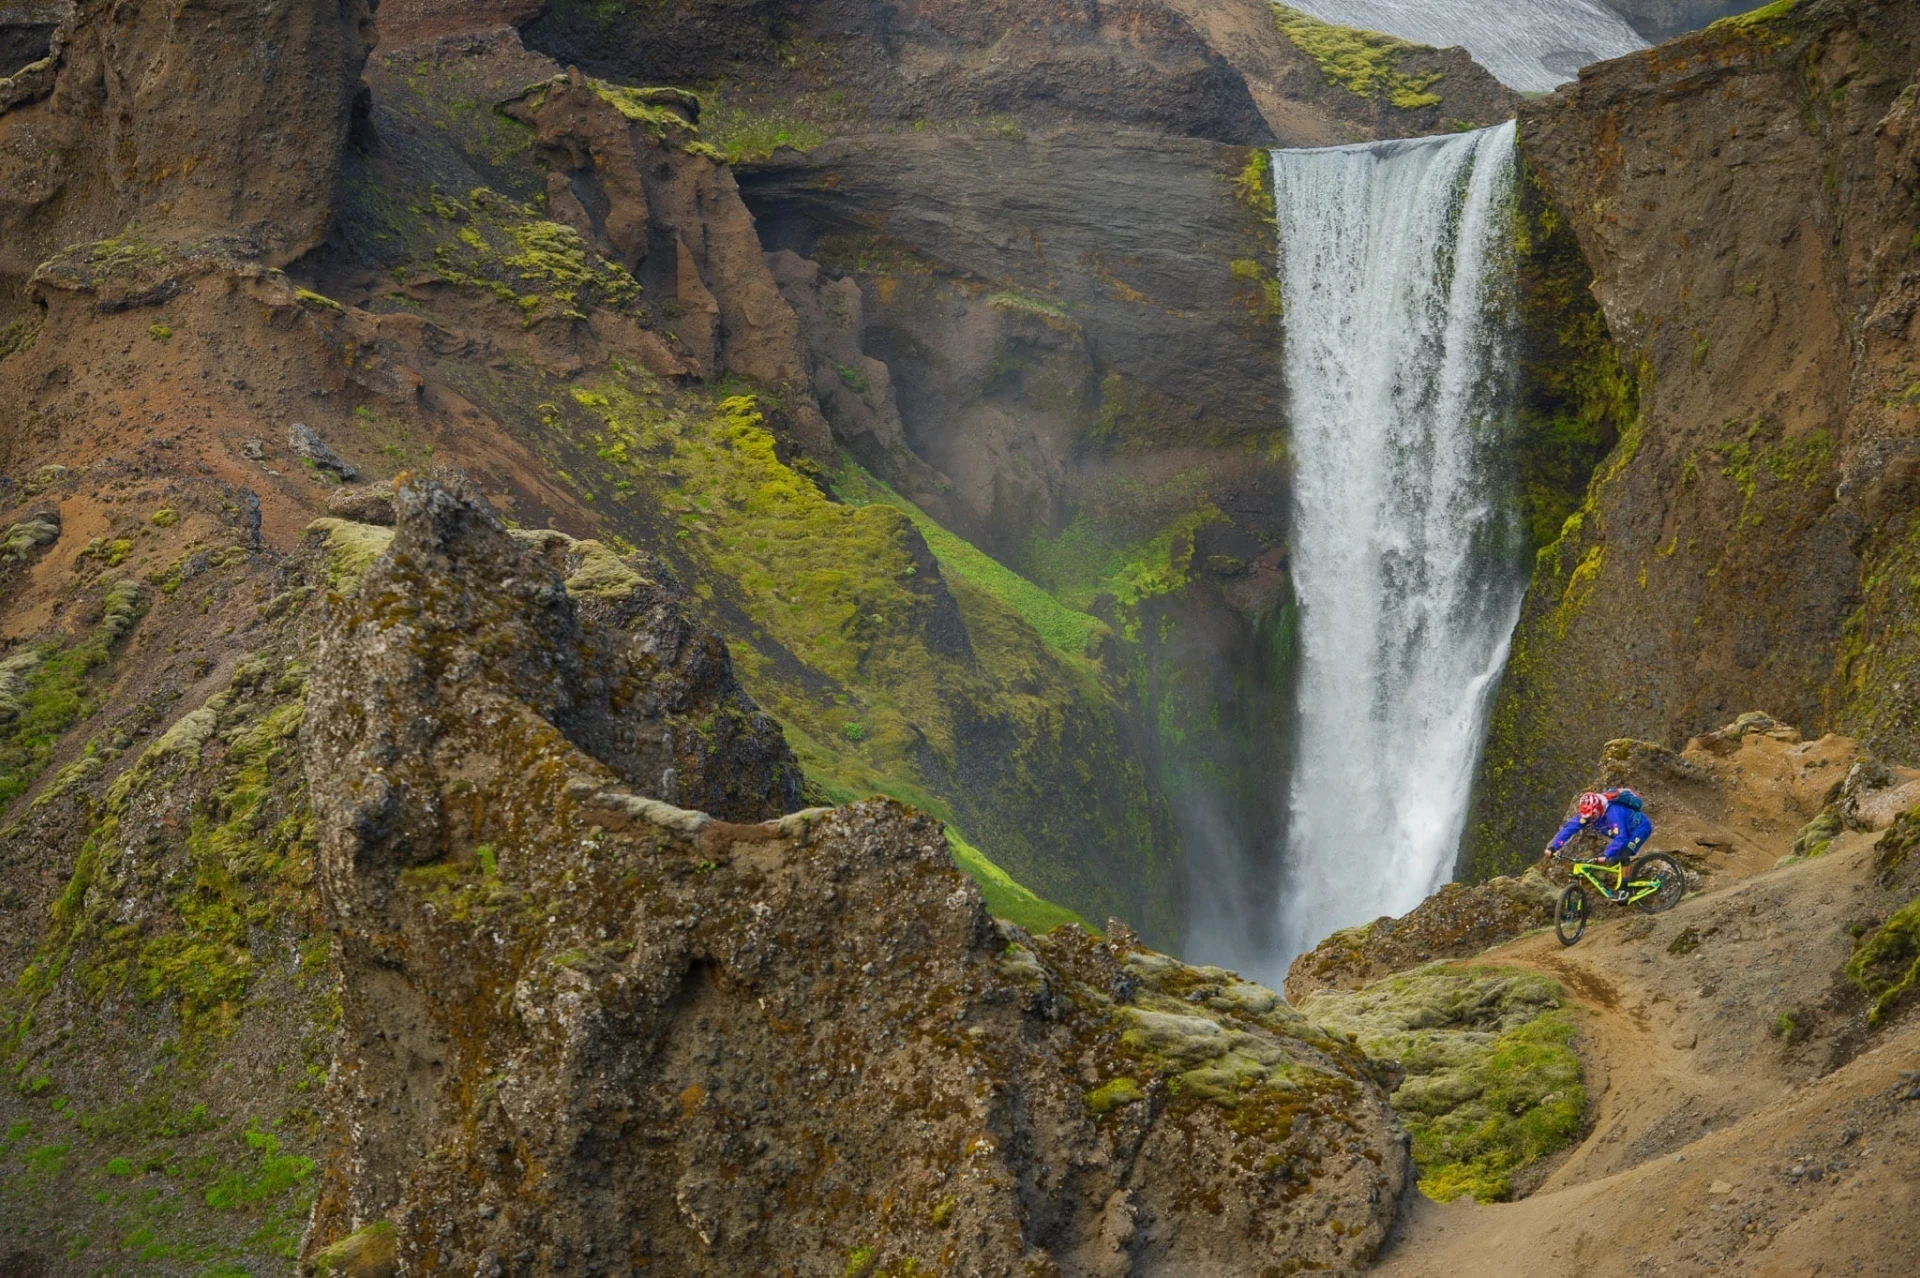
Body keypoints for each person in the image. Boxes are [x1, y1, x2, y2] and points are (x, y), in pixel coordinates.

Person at [1543, 789, 1653, 901]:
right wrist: (1553, 847)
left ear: (1599, 808)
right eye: (1587, 816)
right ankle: (1624, 879)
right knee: (1612, 861)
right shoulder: (1588, 814)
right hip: (1624, 831)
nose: (1590, 818)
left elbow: (1621, 836)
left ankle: (1625, 890)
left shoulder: (1612, 812)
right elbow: (1569, 829)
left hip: (1640, 828)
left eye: (1593, 815)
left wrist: (1606, 854)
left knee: (1623, 854)